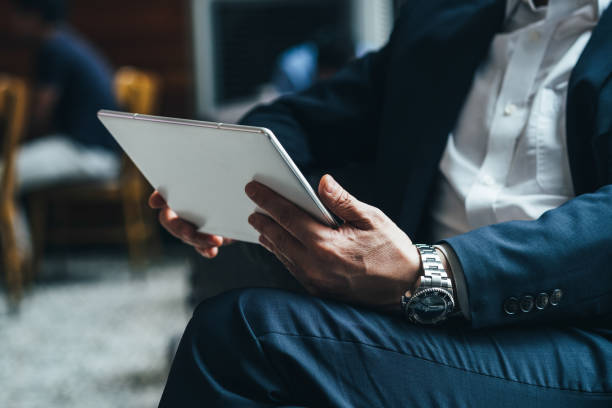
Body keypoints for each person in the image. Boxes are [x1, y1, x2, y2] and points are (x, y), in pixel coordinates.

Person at [153, 0, 612, 406]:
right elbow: (294, 118)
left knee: (241, 335)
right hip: (417, 321)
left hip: (583, 333)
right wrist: (224, 182)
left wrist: (432, 271)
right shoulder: (442, 18)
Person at [9, 0, 120, 194]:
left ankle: (10, 226)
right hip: (103, 150)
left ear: (33, 16)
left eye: (16, 15)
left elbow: (39, 115)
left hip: (87, 152)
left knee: (4, 175)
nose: (10, 22)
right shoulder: (68, 41)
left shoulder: (53, 49)